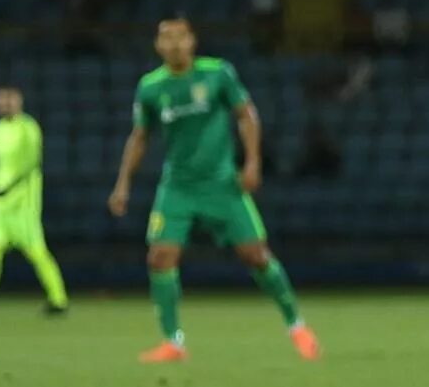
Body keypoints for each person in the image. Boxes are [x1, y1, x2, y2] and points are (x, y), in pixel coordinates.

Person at [107, 19, 320, 364]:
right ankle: (173, 342)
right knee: (160, 258)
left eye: (180, 37)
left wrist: (252, 163)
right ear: (158, 46)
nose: (174, 44)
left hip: (222, 184)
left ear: (192, 41)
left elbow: (246, 115)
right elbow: (140, 137)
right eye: (166, 38)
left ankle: (296, 325)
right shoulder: (150, 88)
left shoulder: (218, 73)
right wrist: (122, 184)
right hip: (177, 188)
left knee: (256, 255)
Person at [0, 85, 70, 318]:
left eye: (9, 100)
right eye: (1, 101)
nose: (4, 105)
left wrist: (7, 188)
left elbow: (31, 163)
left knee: (37, 252)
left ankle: (59, 299)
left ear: (19, 102)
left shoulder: (28, 127)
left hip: (23, 204)